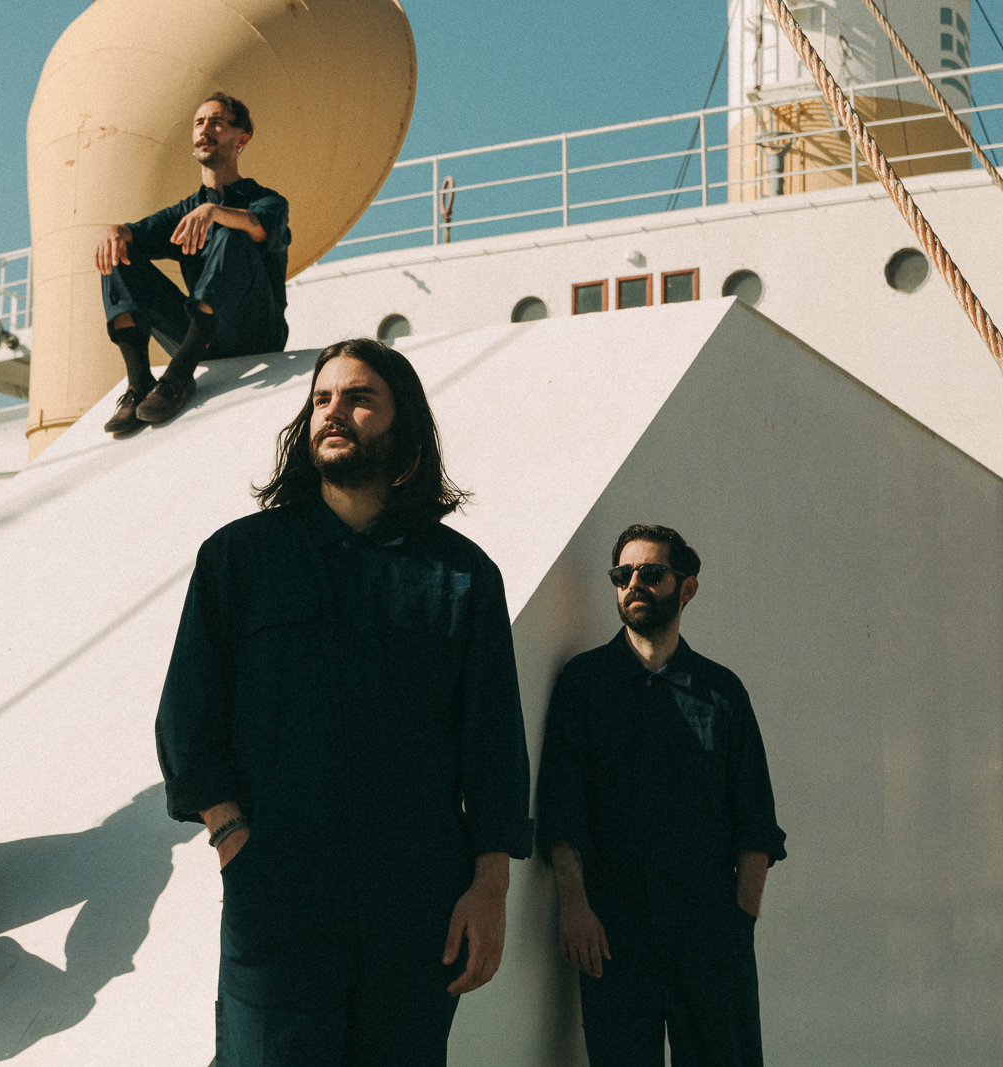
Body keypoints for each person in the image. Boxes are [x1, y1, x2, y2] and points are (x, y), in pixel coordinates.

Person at [155, 337, 532, 1066]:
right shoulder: (239, 558)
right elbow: (187, 715)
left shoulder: (462, 575)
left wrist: (490, 887)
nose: (334, 412)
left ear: (402, 424)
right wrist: (232, 837)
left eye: (360, 399)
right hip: (279, 896)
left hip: (418, 904)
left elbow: (493, 743)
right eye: (322, 398)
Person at [536, 525, 786, 1067]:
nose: (634, 585)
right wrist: (574, 907)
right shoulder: (584, 684)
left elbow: (756, 824)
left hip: (709, 940)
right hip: (613, 939)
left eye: (651, 573)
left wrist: (738, 926)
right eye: (622, 574)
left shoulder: (722, 692)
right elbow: (560, 809)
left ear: (686, 588)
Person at [96, 92, 290, 433]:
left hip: (257, 333)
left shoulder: (267, 200)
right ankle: (139, 382)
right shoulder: (186, 211)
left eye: (217, 122)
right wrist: (114, 230)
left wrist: (216, 212)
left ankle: (179, 375)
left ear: (241, 140)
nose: (205, 129)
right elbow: (136, 234)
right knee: (118, 252)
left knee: (233, 235)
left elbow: (261, 228)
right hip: (206, 340)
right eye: (199, 122)